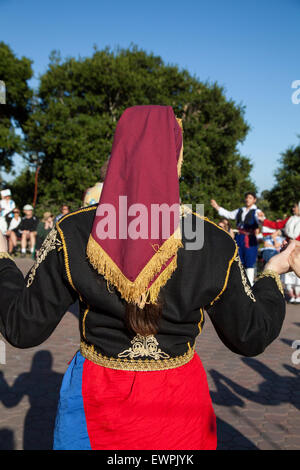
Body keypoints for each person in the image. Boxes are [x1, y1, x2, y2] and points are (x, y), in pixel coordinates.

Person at [0, 106, 299, 451]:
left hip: (96, 395)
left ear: (120, 152)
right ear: (175, 158)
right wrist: (273, 272)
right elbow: (251, 335)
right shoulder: (210, 239)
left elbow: (22, 327)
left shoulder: (74, 230)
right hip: (178, 403)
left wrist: (4, 263)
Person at [211, 193, 261, 285]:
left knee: (249, 261)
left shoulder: (257, 212)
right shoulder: (240, 210)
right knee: (238, 260)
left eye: (250, 198)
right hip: (240, 237)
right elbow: (229, 214)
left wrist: (262, 219)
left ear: (254, 200)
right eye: (246, 197)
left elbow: (261, 220)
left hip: (250, 238)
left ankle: (249, 284)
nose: (247, 199)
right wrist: (217, 207)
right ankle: (240, 284)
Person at [260, 202, 300, 304]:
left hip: (298, 249)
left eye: (295, 206)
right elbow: (276, 225)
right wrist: (264, 220)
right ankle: (292, 295)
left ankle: (298, 295)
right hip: (288, 248)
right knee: (289, 273)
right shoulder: (290, 219)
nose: (293, 208)